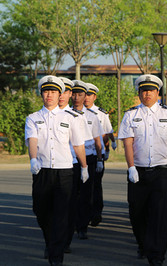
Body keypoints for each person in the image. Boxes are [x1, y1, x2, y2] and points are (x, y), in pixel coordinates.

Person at [118, 74, 167, 266]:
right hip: (138, 172)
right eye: (143, 90)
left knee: (159, 214)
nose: (147, 94)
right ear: (139, 93)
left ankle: (157, 255)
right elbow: (128, 144)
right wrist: (131, 167)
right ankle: (143, 244)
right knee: (137, 212)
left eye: (151, 90)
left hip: (160, 171)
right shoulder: (130, 115)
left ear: (157, 92)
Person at [25, 75, 88, 266]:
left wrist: (84, 167)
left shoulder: (71, 118)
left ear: (59, 94)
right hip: (42, 171)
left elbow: (78, 145)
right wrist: (33, 159)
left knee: (61, 214)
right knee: (41, 211)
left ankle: (56, 255)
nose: (49, 95)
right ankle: (51, 242)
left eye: (53, 92)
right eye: (46, 91)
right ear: (41, 94)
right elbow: (32, 140)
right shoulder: (33, 118)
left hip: (64, 172)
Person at [71, 80, 104, 240]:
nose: (77, 97)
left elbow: (97, 141)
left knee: (85, 194)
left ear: (85, 96)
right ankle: (71, 224)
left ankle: (82, 226)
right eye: (74, 94)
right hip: (71, 160)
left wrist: (99, 159)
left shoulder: (92, 116)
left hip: (89, 158)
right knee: (71, 194)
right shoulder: (65, 114)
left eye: (80, 94)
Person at [84, 83, 116, 226]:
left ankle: (96, 212)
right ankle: (84, 213)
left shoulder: (101, 113)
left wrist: (108, 149)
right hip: (80, 154)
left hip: (97, 154)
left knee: (96, 185)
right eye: (85, 94)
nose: (87, 97)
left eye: (90, 95)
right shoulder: (74, 112)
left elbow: (107, 133)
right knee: (82, 186)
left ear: (94, 97)